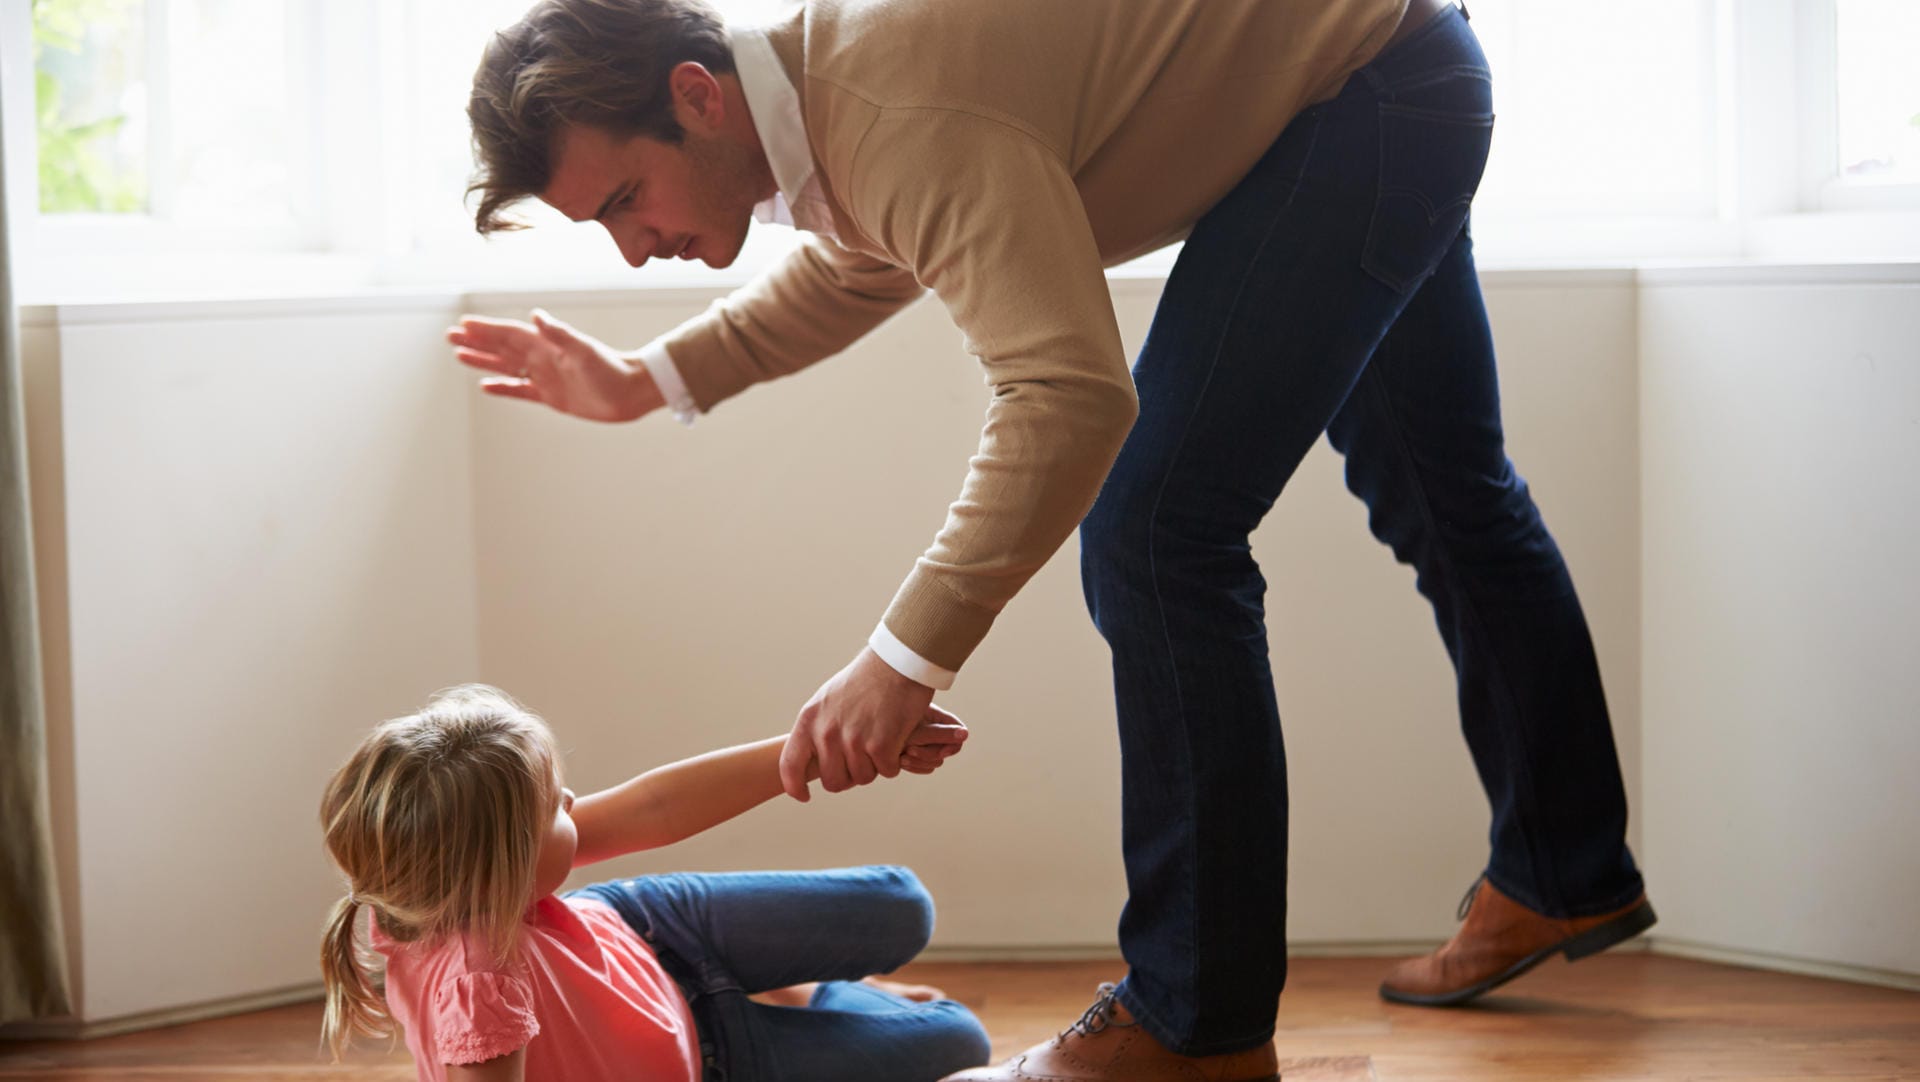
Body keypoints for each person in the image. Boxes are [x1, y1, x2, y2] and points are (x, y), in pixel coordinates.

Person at [447, 0, 1656, 1077]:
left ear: (694, 97)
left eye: (622, 201)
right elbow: (863, 265)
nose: (629, 244)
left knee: (1156, 528)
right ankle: (1563, 868)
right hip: (1392, 68)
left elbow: (1069, 396)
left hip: (1364, 89)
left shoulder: (888, 106)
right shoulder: (830, 104)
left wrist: (902, 656)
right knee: (1447, 494)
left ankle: (1196, 1023)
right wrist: (649, 378)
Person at [318, 683, 990, 1082]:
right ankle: (817, 994)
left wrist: (817, 747)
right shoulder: (474, 990)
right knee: (958, 1039)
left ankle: (804, 984)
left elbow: (655, 807)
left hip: (644, 930)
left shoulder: (455, 879)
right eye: (554, 804)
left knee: (903, 904)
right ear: (502, 869)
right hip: (715, 1055)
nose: (574, 800)